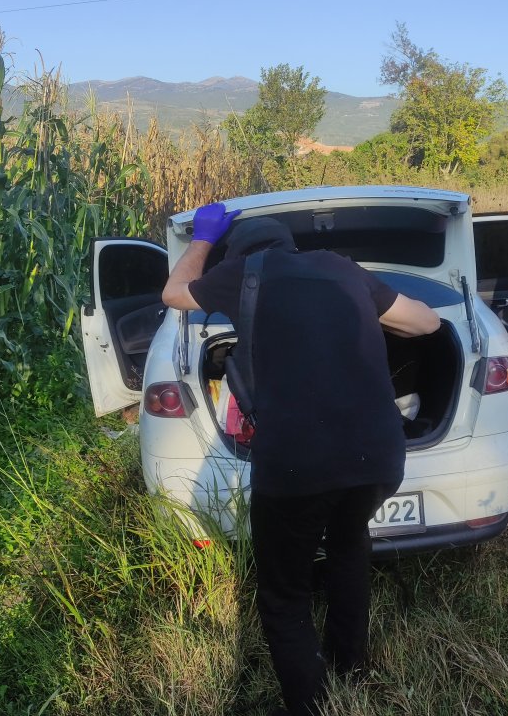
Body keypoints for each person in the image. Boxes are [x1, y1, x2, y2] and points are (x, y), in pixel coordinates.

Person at [161, 203, 440, 716]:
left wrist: (202, 239)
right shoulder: (342, 267)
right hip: (377, 457)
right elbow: (427, 322)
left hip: (297, 465)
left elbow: (173, 294)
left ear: (238, 254)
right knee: (349, 549)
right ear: (290, 245)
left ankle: (312, 707)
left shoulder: (242, 271)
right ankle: (349, 673)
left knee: (284, 595)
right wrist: (377, 319)